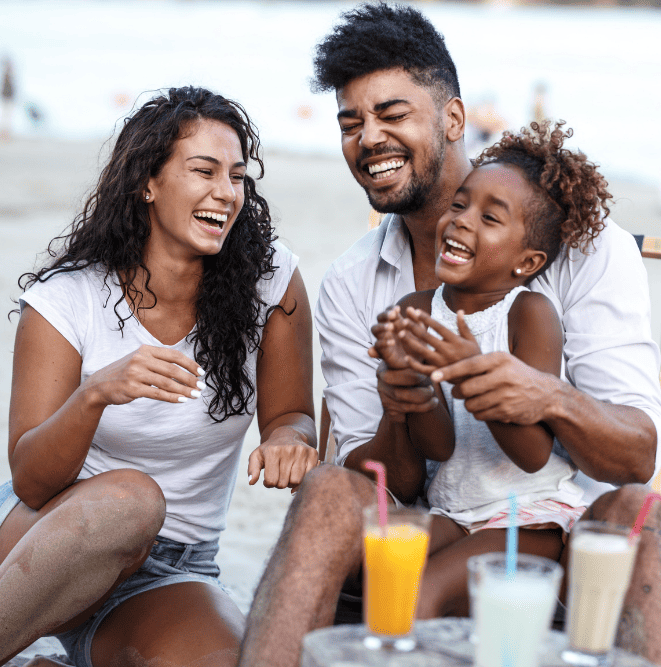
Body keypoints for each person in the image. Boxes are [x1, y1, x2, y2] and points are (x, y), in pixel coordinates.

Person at [237, 4, 661, 667]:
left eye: (392, 114)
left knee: (644, 513)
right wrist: (404, 399)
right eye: (351, 124)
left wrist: (539, 394)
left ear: (454, 119)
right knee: (325, 491)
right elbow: (383, 482)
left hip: (557, 526)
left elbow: (634, 454)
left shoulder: (583, 250)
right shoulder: (356, 283)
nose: (368, 138)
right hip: (442, 519)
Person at [0, 86, 317, 667]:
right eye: (204, 170)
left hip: (170, 568)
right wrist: (95, 394)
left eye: (238, 176)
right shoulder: (68, 300)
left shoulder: (271, 285)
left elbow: (292, 414)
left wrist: (289, 441)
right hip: (47, 537)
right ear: (148, 182)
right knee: (132, 499)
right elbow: (33, 482)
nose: (226, 192)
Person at [369, 121, 609, 613]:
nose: (461, 220)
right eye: (460, 204)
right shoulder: (418, 308)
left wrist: (470, 370)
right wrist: (409, 383)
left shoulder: (529, 315)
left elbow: (532, 453)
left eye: (490, 218)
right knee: (379, 575)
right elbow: (438, 444)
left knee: (417, 598)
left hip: (528, 515)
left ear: (526, 262)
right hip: (453, 508)